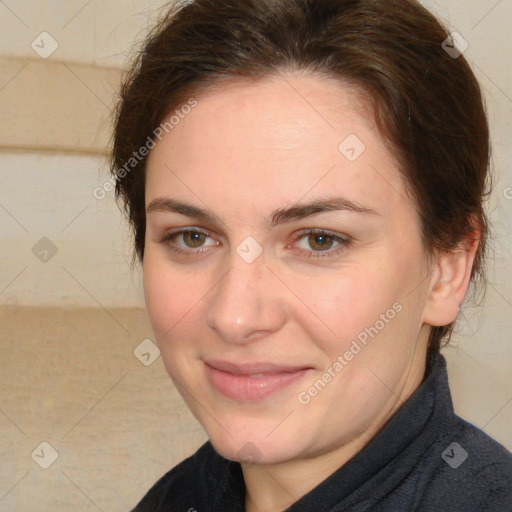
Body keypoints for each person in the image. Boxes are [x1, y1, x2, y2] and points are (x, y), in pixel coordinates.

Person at [109, 0, 512, 510]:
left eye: (319, 240)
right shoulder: (175, 499)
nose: (234, 317)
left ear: (448, 267)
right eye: (192, 237)